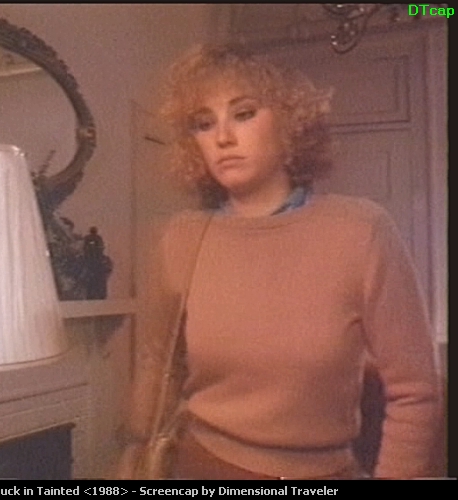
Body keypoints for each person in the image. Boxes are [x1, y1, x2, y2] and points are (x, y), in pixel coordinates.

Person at [116, 41, 440, 480]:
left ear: (289, 122)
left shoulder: (360, 231)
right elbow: (156, 365)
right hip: (200, 467)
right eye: (203, 124)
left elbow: (415, 392)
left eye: (244, 113)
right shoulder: (182, 238)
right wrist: (134, 457)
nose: (223, 137)